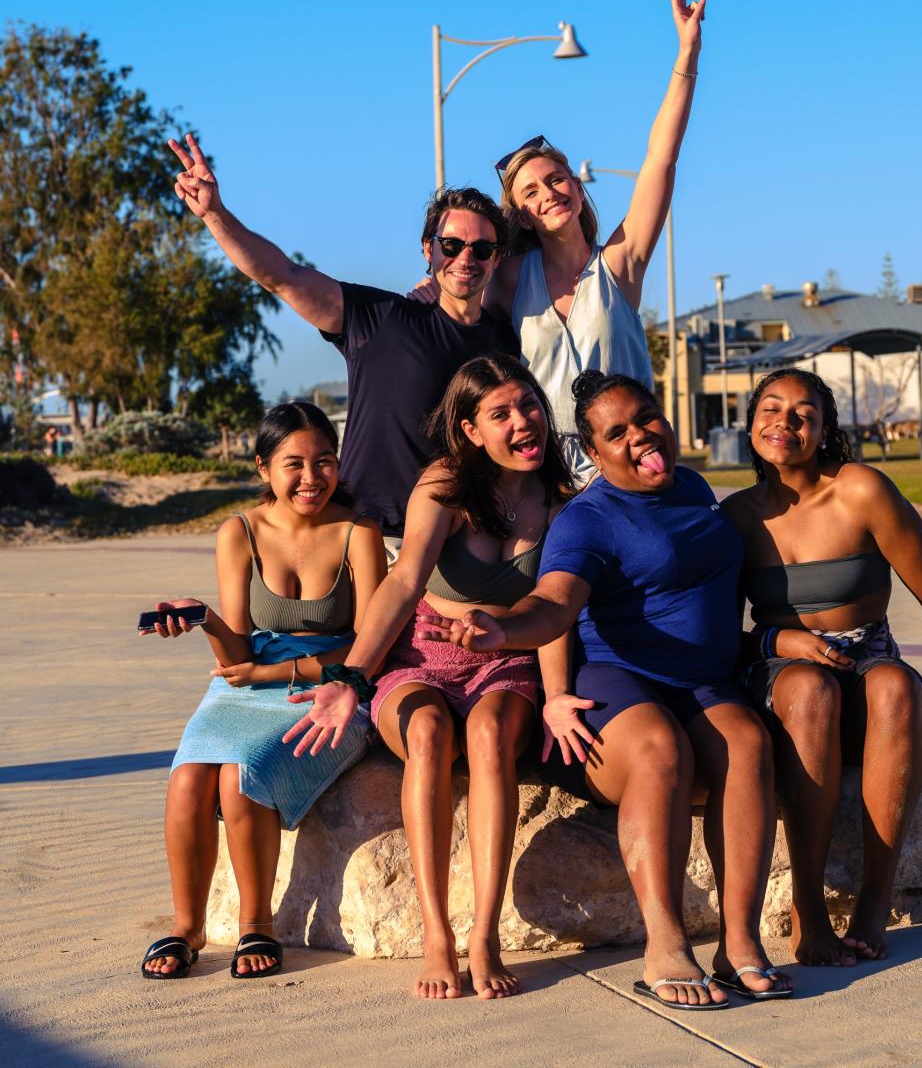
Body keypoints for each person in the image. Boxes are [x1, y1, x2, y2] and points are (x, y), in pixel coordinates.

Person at [411, 371, 790, 1010]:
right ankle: (665, 943)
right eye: (617, 433)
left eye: (647, 418)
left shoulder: (692, 487)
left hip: (702, 681)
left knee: (748, 745)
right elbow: (553, 605)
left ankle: (739, 942)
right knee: (659, 751)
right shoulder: (587, 519)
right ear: (593, 451)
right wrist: (501, 627)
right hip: (618, 682)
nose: (641, 436)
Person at [282, 356, 574, 999]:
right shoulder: (444, 485)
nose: (524, 422)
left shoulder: (559, 498)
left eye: (528, 406)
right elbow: (405, 579)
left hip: (506, 659)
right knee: (430, 733)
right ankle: (439, 933)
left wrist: (555, 697)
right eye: (500, 414)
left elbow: (559, 607)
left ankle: (485, 936)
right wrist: (352, 678)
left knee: (493, 737)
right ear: (470, 431)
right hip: (423, 656)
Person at [723, 368, 922, 967]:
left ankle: (872, 906)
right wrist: (784, 643)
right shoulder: (735, 517)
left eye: (804, 413)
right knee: (811, 690)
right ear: (751, 421)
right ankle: (808, 914)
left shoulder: (862, 491)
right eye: (771, 408)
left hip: (868, 661)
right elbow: (716, 636)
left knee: (894, 685)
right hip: (783, 673)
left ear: (825, 429)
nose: (785, 422)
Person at [168, 133, 519, 547]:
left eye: (481, 249)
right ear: (429, 249)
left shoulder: (506, 345)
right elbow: (281, 276)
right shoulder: (381, 318)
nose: (465, 258)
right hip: (368, 540)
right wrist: (215, 215)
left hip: (459, 546)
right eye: (451, 245)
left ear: (496, 258)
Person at [137, 402, 385, 980]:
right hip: (246, 687)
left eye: (324, 461)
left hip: (332, 687)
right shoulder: (239, 532)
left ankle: (258, 925)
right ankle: (187, 927)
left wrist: (281, 675)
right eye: (293, 464)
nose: (311, 477)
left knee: (241, 771)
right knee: (188, 776)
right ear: (262, 468)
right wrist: (205, 621)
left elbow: (371, 643)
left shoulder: (358, 531)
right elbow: (239, 655)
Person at [490, 0, 706, 481]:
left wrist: (688, 49)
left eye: (557, 178)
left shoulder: (618, 265)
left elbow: (660, 160)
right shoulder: (508, 278)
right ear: (520, 214)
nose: (550, 193)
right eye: (532, 191)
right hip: (543, 478)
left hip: (630, 466)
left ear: (578, 186)